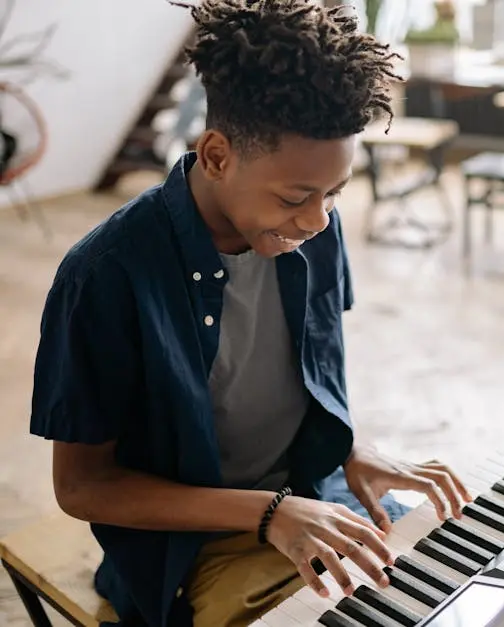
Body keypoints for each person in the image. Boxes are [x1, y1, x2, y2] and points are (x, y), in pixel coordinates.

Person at [29, 2, 471, 626]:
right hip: (191, 545)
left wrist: (349, 448)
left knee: (454, 583)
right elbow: (81, 489)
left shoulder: (313, 228)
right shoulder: (105, 275)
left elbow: (293, 381)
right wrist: (266, 513)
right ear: (215, 155)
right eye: (296, 196)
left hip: (310, 493)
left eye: (335, 194)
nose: (318, 220)